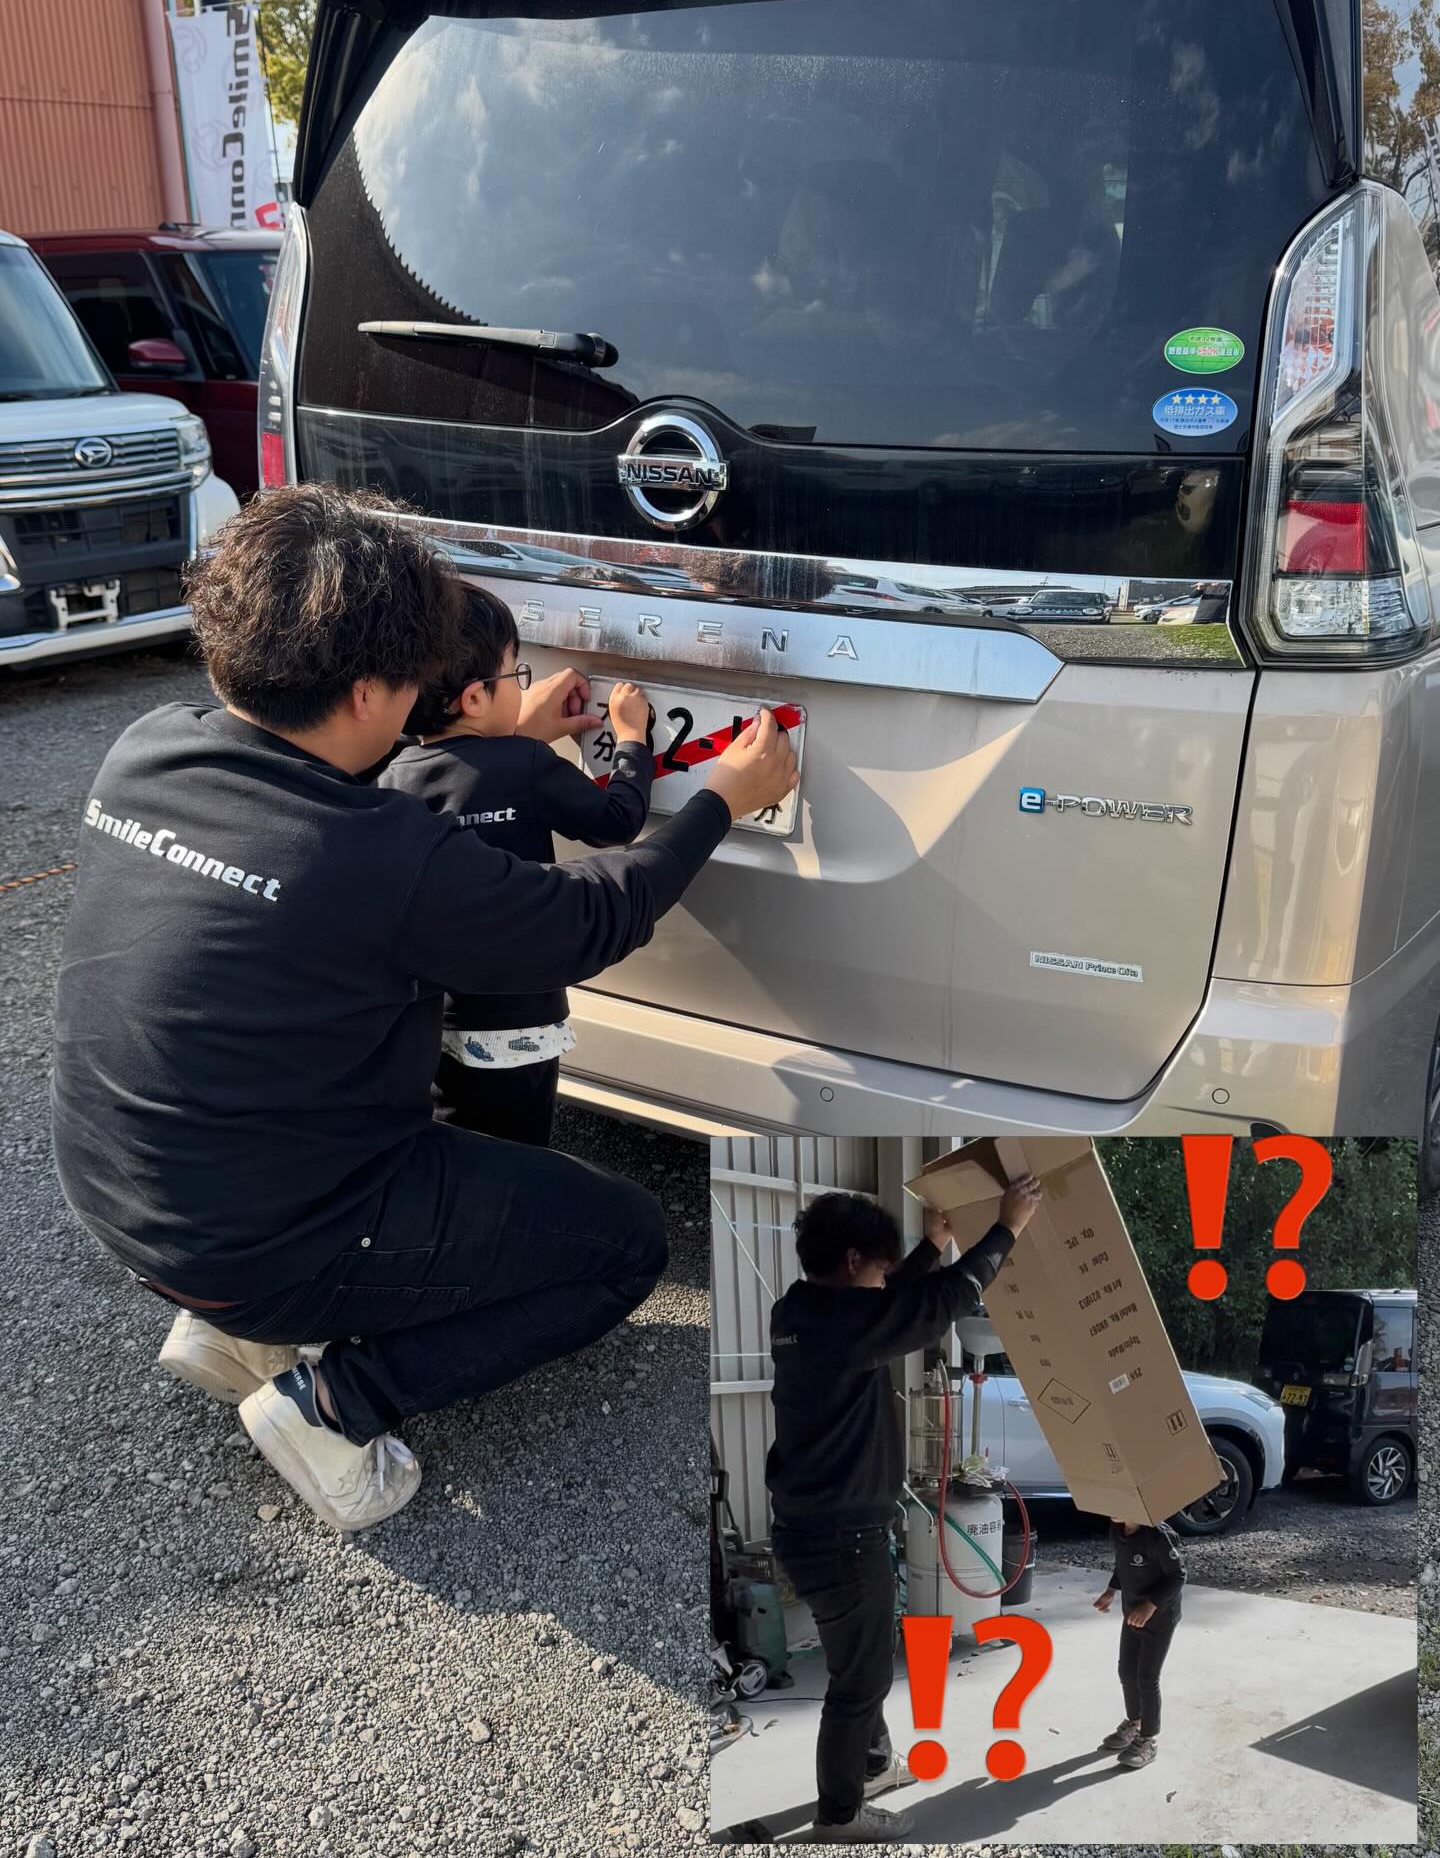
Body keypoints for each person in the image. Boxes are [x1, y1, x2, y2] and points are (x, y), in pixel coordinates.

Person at [50, 483, 797, 1533]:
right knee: (626, 1241)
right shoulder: (378, 856)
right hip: (263, 1239)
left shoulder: (151, 749)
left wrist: (506, 734)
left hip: (123, 1203)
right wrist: (724, 796)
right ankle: (333, 1404)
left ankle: (238, 1330)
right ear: (370, 693)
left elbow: (354, 813)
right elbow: (594, 916)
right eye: (414, 683)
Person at [764, 1175, 1043, 1843]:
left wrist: (929, 1246)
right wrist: (1007, 1227)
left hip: (810, 1528)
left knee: (856, 1662)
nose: (884, 1278)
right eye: (879, 1266)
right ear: (853, 1260)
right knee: (858, 1684)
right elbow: (939, 1304)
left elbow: (889, 1300)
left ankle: (872, 1766)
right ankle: (839, 1816)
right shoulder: (846, 1325)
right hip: (843, 1540)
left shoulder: (798, 1311)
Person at [378, 584, 654, 1148]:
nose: (521, 687)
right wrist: (632, 739)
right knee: (522, 1142)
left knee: (457, 1138)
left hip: (435, 1016)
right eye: (515, 674)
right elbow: (617, 821)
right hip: (524, 1014)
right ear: (475, 698)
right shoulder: (527, 763)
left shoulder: (396, 777)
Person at [1092, 1517, 1186, 1769]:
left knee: (1147, 1677)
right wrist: (1111, 1591)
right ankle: (1134, 1723)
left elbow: (1178, 1575)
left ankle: (1148, 1739)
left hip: (1160, 1617)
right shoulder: (1117, 1530)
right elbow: (1123, 1565)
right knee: (1126, 1671)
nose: (1112, 1509)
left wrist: (1150, 1605)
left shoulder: (1160, 1536)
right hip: (1132, 1613)